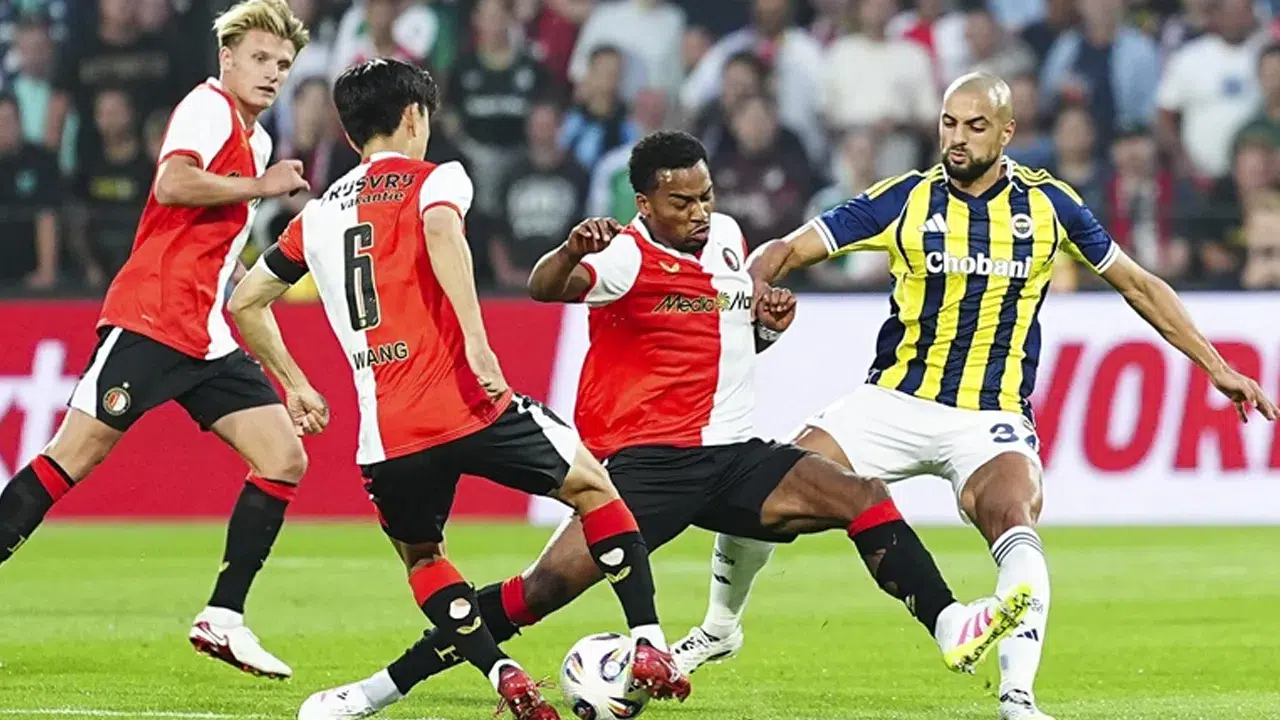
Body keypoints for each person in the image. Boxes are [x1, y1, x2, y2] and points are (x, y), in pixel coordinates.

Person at [297, 129, 1033, 720]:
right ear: (645, 203)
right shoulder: (622, 255)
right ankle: (379, 689)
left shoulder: (729, 238)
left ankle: (949, 625)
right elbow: (546, 288)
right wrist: (569, 251)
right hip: (648, 467)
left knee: (861, 494)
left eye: (706, 196)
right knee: (538, 592)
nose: (700, 212)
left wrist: (767, 329)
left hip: (732, 455)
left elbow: (726, 341)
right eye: (682, 202)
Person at [673, 73, 1280, 720]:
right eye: (948, 123)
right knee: (771, 485)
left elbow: (1138, 284)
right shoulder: (905, 198)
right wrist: (752, 285)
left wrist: (1215, 364)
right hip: (893, 402)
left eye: (975, 126)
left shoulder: (1050, 206)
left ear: (1008, 132)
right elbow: (787, 249)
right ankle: (719, 628)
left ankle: (1018, 697)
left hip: (990, 416)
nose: (956, 138)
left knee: (1014, 518)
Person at [225, 58, 689, 720]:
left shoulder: (316, 217)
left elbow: (245, 301)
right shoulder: (437, 178)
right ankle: (648, 642)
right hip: (469, 402)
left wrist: (295, 384)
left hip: (387, 434)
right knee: (594, 489)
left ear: (351, 134)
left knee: (424, 559)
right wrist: (476, 340)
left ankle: (503, 673)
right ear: (414, 117)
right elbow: (442, 230)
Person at [0, 0, 314, 679]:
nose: (272, 73)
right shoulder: (206, 107)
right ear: (227, 58)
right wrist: (261, 186)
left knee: (284, 457)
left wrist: (291, 376)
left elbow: (224, 256)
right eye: (260, 58)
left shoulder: (258, 141)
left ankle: (223, 617)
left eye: (283, 64)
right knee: (70, 459)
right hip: (151, 317)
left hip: (205, 333)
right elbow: (172, 183)